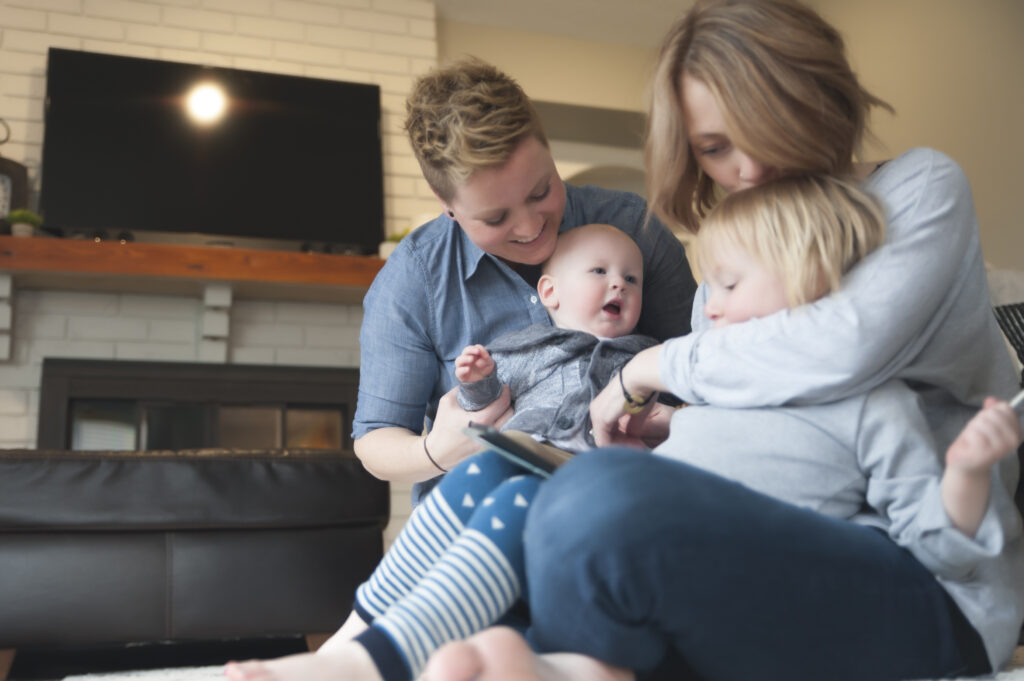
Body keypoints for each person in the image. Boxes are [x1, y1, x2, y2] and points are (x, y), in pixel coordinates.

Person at [421, 0, 1024, 679]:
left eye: (765, 125)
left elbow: (838, 352)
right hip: (763, 545)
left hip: (922, 571)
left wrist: (644, 366)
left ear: (815, 94)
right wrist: (670, 428)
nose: (750, 167)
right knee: (519, 499)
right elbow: (748, 407)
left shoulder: (921, 188)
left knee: (595, 506)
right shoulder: (732, 266)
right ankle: (380, 650)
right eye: (714, 148)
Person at [224, 224, 661, 681]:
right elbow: (489, 403)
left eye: (632, 280)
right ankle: (356, 633)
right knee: (480, 469)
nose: (619, 284)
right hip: (518, 465)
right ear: (550, 292)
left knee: (510, 495)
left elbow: (672, 419)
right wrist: (476, 382)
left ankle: (371, 659)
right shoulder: (532, 347)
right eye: (600, 271)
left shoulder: (643, 358)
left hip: (585, 488)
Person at [349, 58, 696, 505]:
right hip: (479, 517)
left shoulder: (633, 229)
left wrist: (665, 418)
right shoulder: (414, 278)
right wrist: (437, 450)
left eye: (541, 191)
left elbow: (704, 370)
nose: (531, 226)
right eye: (495, 217)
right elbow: (375, 439)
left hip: (625, 505)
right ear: (445, 203)